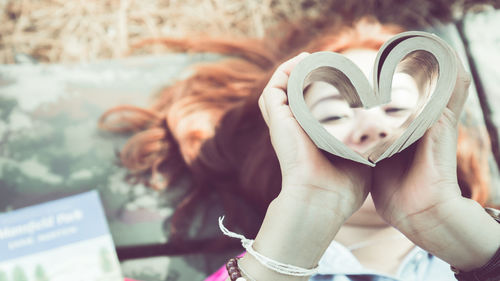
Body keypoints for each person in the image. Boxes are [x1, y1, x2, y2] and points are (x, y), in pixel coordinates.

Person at [99, 18, 500, 280]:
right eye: (333, 117)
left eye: (395, 108)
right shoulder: (267, 265)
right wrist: (305, 217)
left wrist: (449, 225)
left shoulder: (479, 244)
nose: (373, 125)